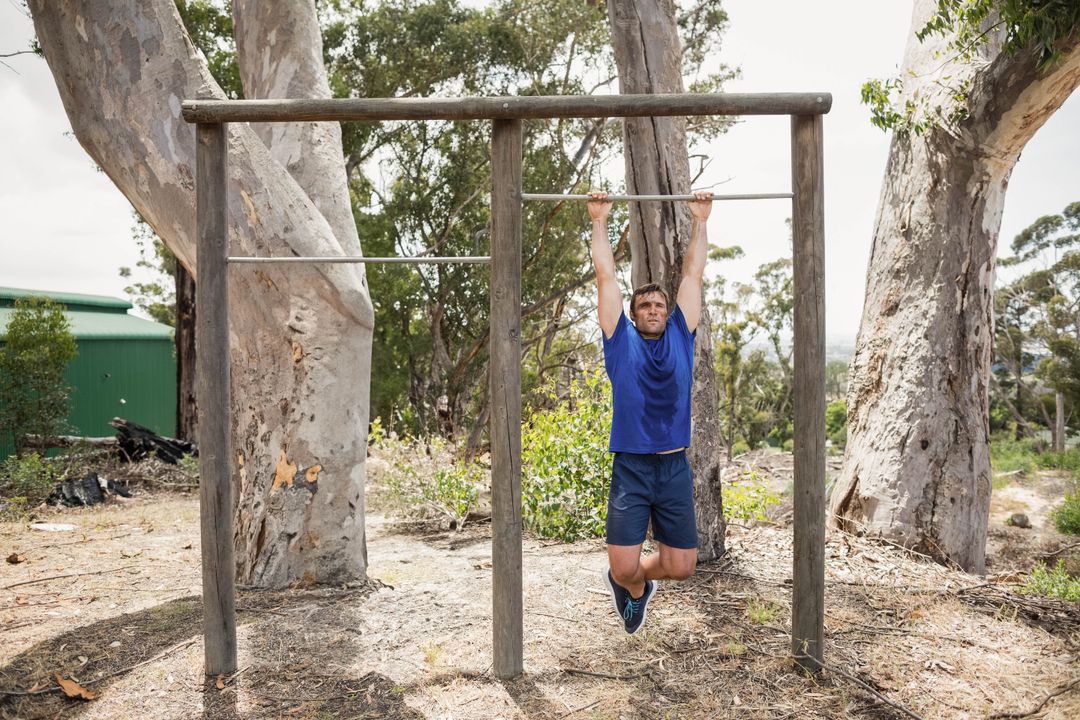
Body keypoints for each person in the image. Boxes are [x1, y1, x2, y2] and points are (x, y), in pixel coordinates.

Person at [587, 189, 712, 634]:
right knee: (623, 568)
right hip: (633, 467)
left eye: (660, 304)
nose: (654, 309)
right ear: (634, 314)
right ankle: (633, 587)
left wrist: (700, 221)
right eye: (645, 305)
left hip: (674, 466)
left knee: (682, 567)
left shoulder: (681, 334)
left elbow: (693, 274)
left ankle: (641, 582)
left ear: (668, 312)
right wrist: (599, 220)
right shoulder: (620, 340)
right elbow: (605, 277)